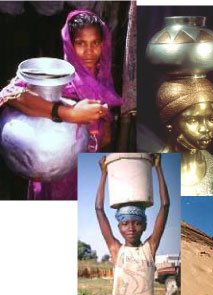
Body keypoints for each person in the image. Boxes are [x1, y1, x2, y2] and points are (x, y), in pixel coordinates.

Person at [0, 9, 122, 199]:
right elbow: (11, 94)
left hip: (87, 169)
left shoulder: (103, 79)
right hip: (53, 167)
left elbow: (104, 133)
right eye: (80, 43)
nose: (89, 51)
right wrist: (70, 113)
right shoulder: (58, 77)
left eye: (95, 43)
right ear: (69, 44)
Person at [96, 153, 170, 295]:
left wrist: (158, 168)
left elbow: (165, 206)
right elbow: (99, 209)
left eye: (137, 223)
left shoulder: (149, 249)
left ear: (144, 226)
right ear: (119, 227)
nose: (131, 228)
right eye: (125, 224)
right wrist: (104, 174)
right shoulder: (115, 250)